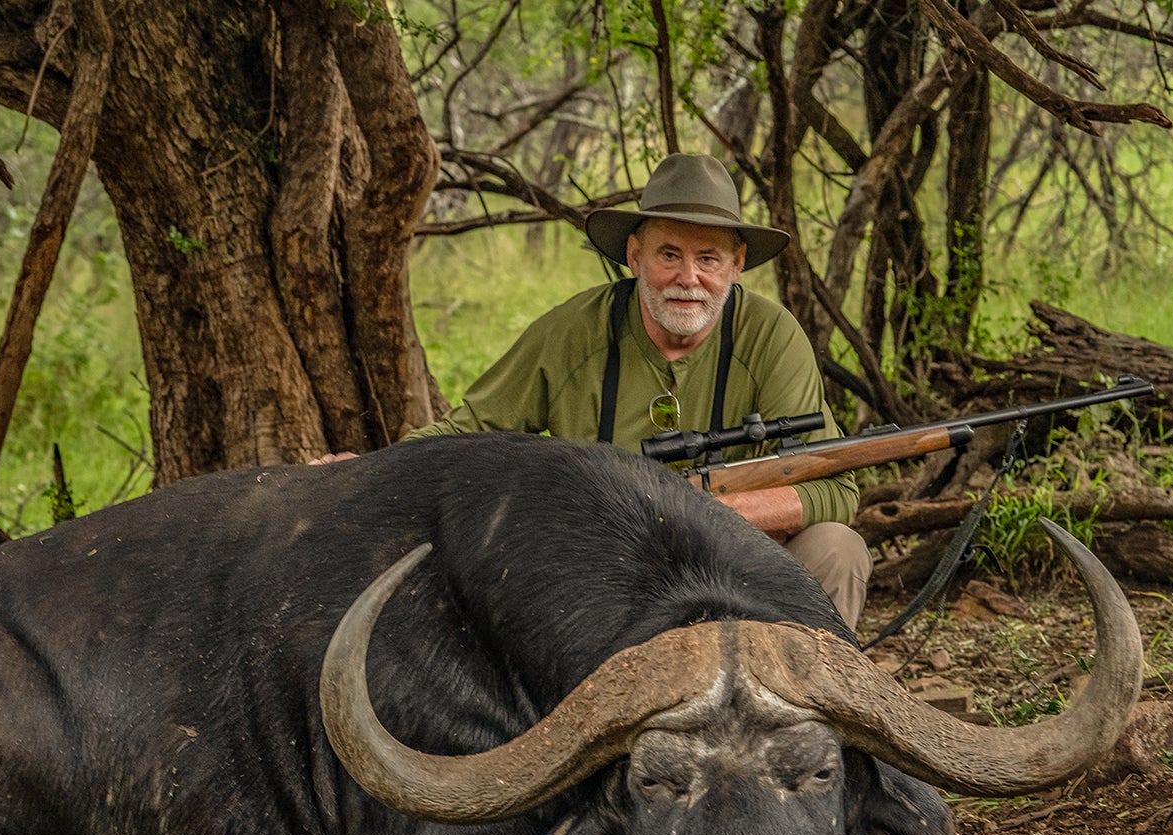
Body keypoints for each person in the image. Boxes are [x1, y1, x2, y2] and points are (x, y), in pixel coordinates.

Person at [321, 153, 871, 627]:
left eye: (708, 259)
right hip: (604, 572)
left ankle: (810, 724)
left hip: (740, 562)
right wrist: (366, 475)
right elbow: (469, 433)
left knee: (837, 549)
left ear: (736, 265)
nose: (688, 278)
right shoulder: (575, 330)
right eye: (669, 255)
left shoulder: (770, 335)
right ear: (634, 256)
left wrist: (707, 510)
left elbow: (837, 490)